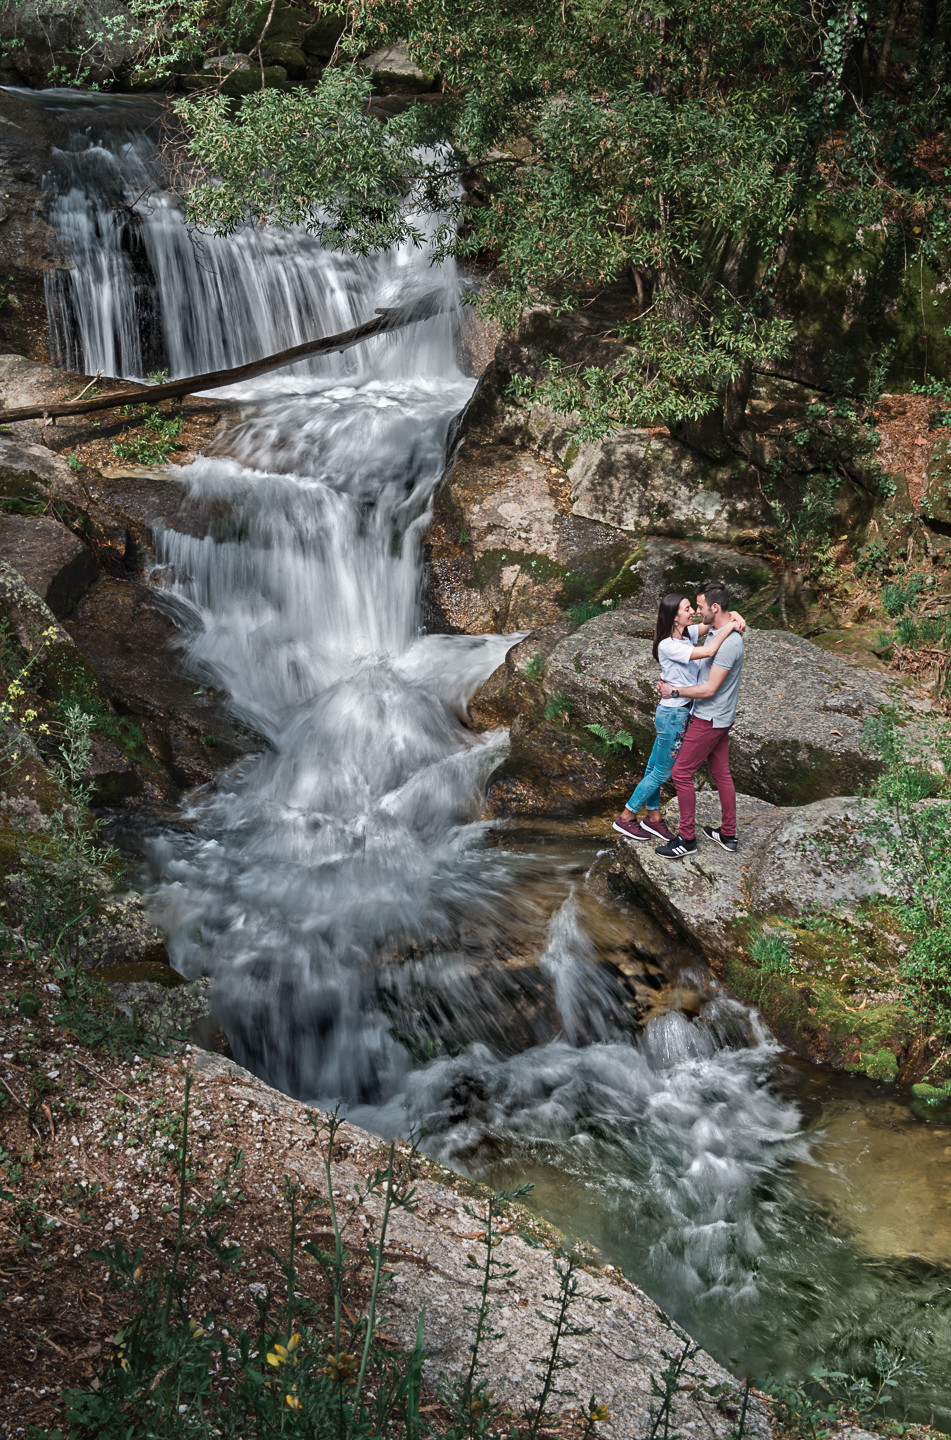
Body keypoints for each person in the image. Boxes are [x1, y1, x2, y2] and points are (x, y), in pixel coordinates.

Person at [613, 592, 743, 843]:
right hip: (673, 714)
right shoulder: (667, 644)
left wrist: (734, 616)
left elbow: (713, 620)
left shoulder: (685, 635)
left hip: (673, 711)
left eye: (693, 607)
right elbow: (709, 650)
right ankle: (626, 818)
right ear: (674, 617)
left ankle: (652, 819)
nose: (692, 612)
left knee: (653, 768)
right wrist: (731, 627)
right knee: (662, 773)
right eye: (686, 609)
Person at [654, 580, 745, 859]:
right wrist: (735, 620)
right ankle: (727, 833)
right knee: (721, 773)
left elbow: (708, 689)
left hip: (709, 717)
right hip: (720, 716)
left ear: (715, 607)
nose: (697, 611)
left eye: (701, 607)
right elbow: (710, 633)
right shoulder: (719, 629)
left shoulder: (728, 643)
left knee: (681, 772)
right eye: (691, 608)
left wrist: (675, 690)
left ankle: (686, 839)